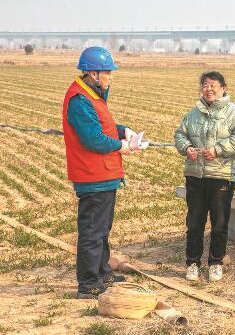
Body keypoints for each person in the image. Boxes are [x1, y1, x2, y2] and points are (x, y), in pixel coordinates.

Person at [62, 47, 144, 299]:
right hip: (93, 176)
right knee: (91, 232)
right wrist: (123, 146)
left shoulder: (93, 96)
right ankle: (88, 284)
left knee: (102, 229)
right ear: (93, 73)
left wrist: (123, 130)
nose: (110, 76)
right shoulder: (79, 100)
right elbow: (93, 139)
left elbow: (104, 127)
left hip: (105, 175)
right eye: (107, 72)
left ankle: (102, 272)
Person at [174, 71, 235, 282]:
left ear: (223, 88)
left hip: (222, 175)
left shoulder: (234, 113)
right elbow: (180, 134)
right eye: (205, 85)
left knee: (219, 222)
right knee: (195, 222)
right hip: (195, 175)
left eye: (213, 85)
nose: (208, 89)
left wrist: (218, 150)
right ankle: (192, 263)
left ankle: (216, 262)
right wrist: (186, 147)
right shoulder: (193, 113)